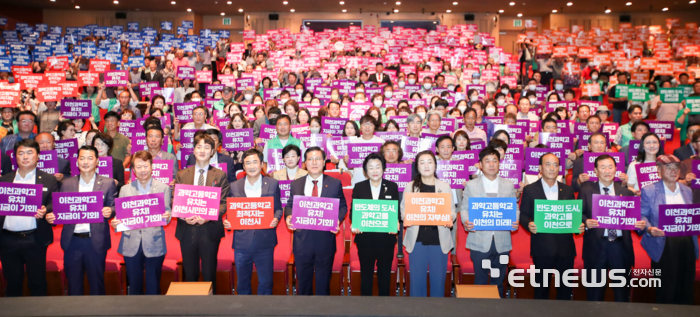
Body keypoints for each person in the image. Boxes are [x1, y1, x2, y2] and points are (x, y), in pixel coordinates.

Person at [46, 145, 117, 295]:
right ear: (77, 161)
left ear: (97, 161)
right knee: (74, 285)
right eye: (82, 158)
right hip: (72, 242)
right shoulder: (66, 183)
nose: (85, 162)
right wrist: (52, 217)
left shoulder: (108, 183)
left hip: (95, 241)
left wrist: (110, 211)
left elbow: (114, 206)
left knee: (97, 285)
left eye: (90, 158)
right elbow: (60, 211)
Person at [580, 154, 646, 302]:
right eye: (603, 167)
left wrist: (639, 225)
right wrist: (586, 222)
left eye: (610, 167)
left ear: (616, 169)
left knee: (622, 295)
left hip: (620, 248)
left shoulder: (627, 192)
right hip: (596, 248)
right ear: (596, 171)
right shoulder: (586, 190)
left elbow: (633, 221)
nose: (607, 170)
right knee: (594, 295)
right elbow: (578, 214)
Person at [284, 146, 347, 296]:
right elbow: (290, 205)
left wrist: (337, 220)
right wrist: (288, 216)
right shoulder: (296, 184)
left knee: (323, 285)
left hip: (325, 241)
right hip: (302, 241)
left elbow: (343, 206)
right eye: (310, 159)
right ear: (305, 162)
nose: (314, 162)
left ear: (324, 162)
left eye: (318, 158)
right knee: (303, 286)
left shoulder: (334, 183)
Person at [0, 139, 59, 296]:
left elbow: (55, 203)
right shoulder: (3, 180)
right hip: (7, 240)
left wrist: (46, 210)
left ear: (38, 156)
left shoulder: (48, 179)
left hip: (35, 239)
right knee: (12, 283)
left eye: (29, 152)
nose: (25, 157)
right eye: (21, 153)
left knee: (37, 282)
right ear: (15, 157)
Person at [520, 153, 583, 300]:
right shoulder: (530, 190)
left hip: (565, 248)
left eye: (555, 165)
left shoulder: (567, 190)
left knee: (565, 290)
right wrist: (528, 224)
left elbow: (573, 216)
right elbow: (523, 215)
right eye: (548, 164)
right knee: (542, 290)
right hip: (542, 247)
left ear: (559, 168)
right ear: (540, 168)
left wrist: (578, 225)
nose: (552, 168)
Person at [173, 132, 230, 293]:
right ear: (193, 150)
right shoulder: (182, 174)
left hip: (209, 231)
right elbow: (174, 200)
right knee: (189, 275)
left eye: (207, 147)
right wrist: (184, 216)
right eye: (199, 147)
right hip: (187, 230)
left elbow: (224, 203)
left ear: (213, 151)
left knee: (209, 274)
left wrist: (207, 217)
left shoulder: (220, 175)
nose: (203, 150)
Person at [110, 151, 172, 295]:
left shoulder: (163, 188)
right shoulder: (125, 190)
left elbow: (167, 213)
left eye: (146, 166)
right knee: (134, 287)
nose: (143, 170)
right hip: (131, 243)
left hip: (154, 242)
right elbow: (120, 216)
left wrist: (167, 215)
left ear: (152, 167)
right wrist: (115, 222)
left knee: (153, 286)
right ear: (133, 170)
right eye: (139, 167)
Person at [461, 147, 520, 298]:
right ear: (480, 165)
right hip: (479, 241)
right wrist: (466, 221)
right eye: (487, 161)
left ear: (500, 164)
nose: (491, 164)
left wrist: (516, 219)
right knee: (480, 280)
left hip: (502, 242)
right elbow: (464, 208)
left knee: (498, 281)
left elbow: (514, 209)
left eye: (495, 160)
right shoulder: (471, 185)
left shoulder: (508, 185)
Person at [640, 154, 699, 305]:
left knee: (686, 286)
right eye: (668, 167)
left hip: (686, 243)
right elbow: (642, 215)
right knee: (666, 288)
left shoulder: (687, 190)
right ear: (658, 170)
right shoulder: (650, 190)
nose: (674, 171)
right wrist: (649, 228)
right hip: (663, 244)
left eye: (676, 168)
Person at [224, 149, 282, 295]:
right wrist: (228, 223)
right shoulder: (234, 186)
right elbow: (232, 212)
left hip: (265, 242)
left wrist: (276, 218)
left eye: (255, 162)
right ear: (243, 166)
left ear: (261, 164)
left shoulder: (273, 184)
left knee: (266, 282)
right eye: (247, 163)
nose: (251, 166)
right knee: (242, 284)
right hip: (242, 243)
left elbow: (278, 208)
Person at [401, 150, 455, 297]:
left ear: (435, 165)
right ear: (417, 167)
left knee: (438, 283)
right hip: (417, 240)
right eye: (422, 162)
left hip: (439, 240)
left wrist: (449, 218)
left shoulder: (444, 187)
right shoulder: (410, 186)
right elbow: (403, 210)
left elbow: (451, 211)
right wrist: (406, 217)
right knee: (417, 284)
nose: (426, 166)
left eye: (430, 162)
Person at [350, 153, 400, 296]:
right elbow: (354, 210)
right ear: (365, 171)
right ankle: (366, 307)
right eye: (370, 168)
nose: (375, 170)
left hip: (386, 239)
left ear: (384, 169)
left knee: (384, 274)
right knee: (366, 274)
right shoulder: (359, 187)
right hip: (365, 239)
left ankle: (384, 307)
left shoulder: (391, 186)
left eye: (378, 167)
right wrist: (355, 223)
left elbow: (395, 211)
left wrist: (395, 222)